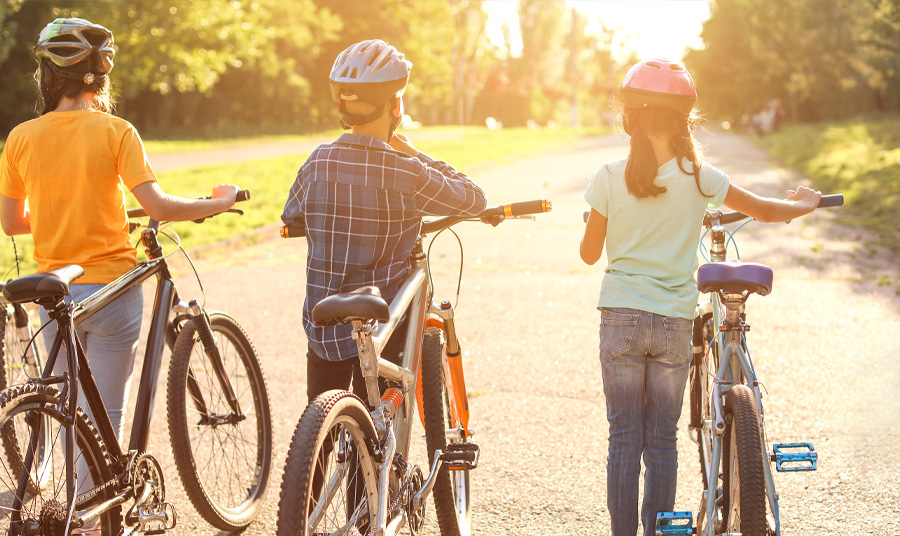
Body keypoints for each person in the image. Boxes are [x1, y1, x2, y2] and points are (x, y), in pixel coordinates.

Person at [0, 18, 239, 534]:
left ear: (49, 77)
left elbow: (14, 222)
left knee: (71, 413)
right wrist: (215, 204)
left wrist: (66, 210)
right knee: (103, 411)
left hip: (55, 294)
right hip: (111, 289)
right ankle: (92, 519)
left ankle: (75, 511)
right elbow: (154, 204)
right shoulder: (116, 131)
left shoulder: (20, 137)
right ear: (98, 79)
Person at [579, 58, 821, 536]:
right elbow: (765, 210)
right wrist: (803, 204)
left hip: (622, 319)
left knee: (624, 438)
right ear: (683, 120)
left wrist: (598, 224)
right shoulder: (699, 178)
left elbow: (589, 254)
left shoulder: (608, 177)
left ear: (630, 119)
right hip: (671, 321)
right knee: (663, 440)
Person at [281, 39, 487, 405]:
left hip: (324, 328)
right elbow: (474, 198)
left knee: (322, 432)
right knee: (378, 431)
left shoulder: (317, 162)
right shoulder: (407, 172)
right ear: (395, 105)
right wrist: (414, 153)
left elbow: (293, 215)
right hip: (382, 330)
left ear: (343, 105)